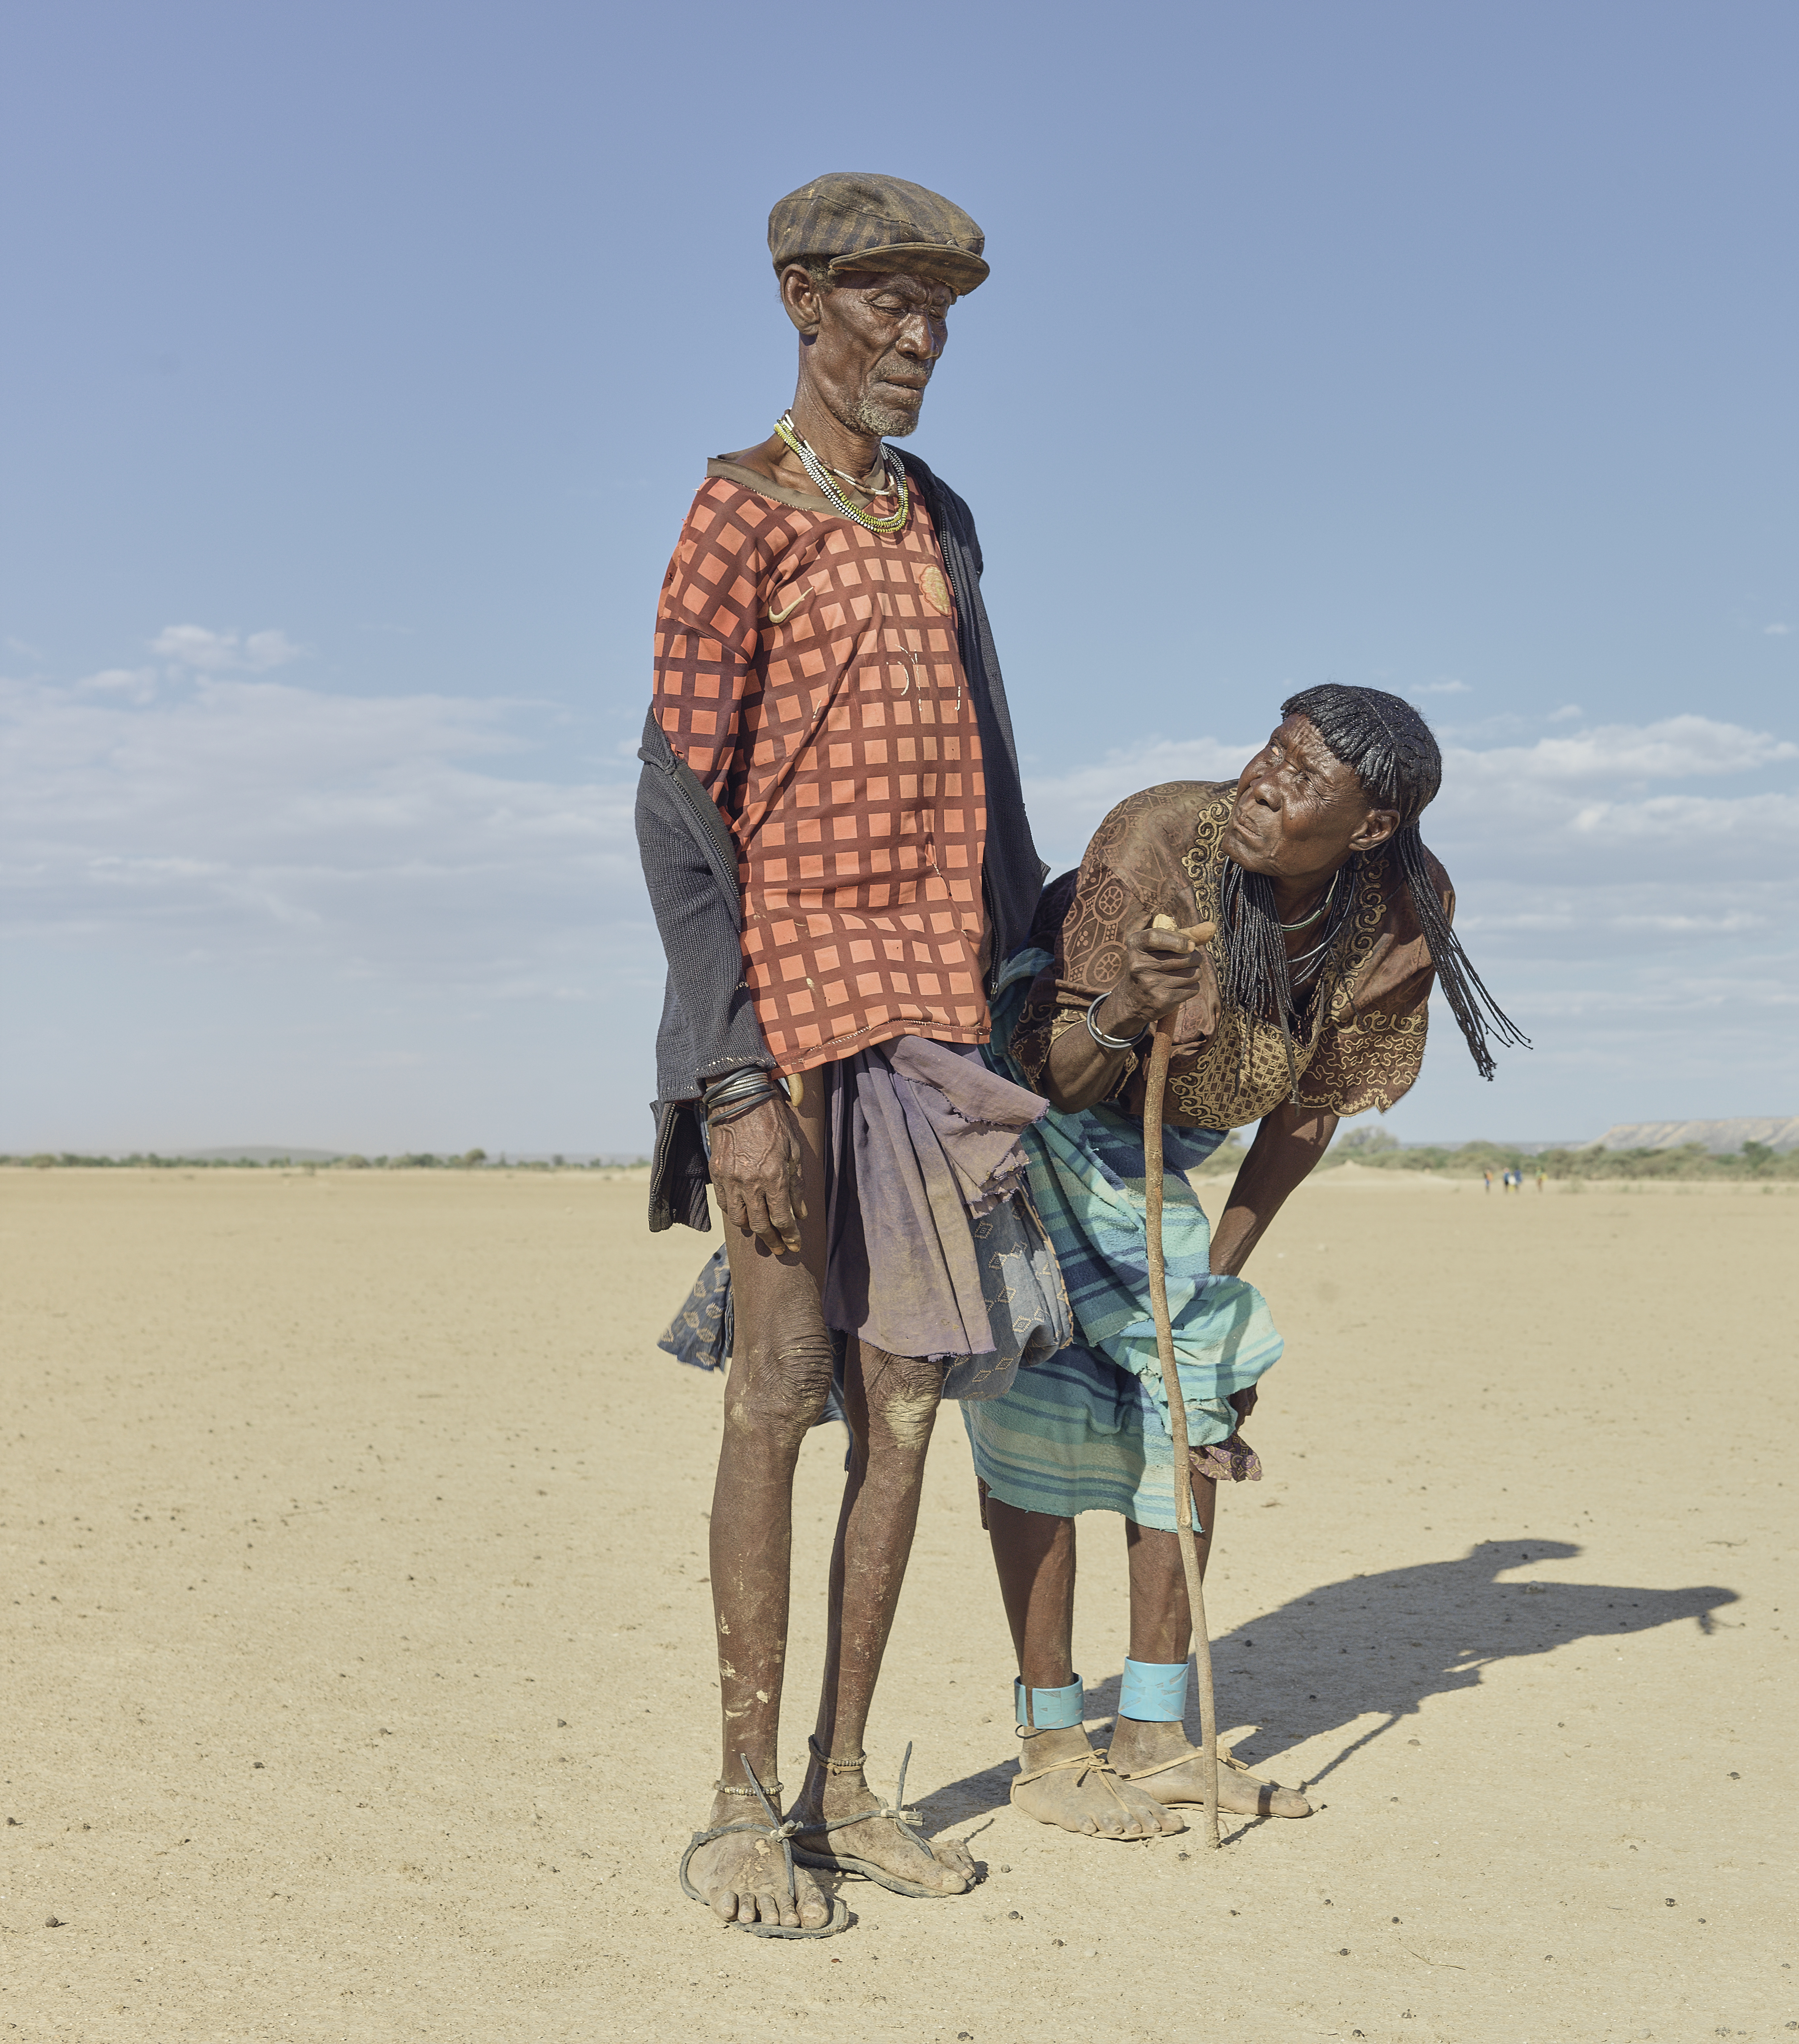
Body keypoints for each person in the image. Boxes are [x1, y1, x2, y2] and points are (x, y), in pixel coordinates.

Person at [633, 172, 1068, 1935]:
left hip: (934, 1027)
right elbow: (677, 808)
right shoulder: (739, 513)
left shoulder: (937, 521)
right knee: (778, 1399)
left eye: (942, 310)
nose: (920, 336)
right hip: (788, 1038)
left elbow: (996, 776)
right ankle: (740, 1801)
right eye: (888, 302)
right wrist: (727, 1075)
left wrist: (1037, 966)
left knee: (904, 1413)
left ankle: (847, 1781)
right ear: (803, 302)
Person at [966, 684, 1525, 1838]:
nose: (1267, 781)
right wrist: (1128, 1006)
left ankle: (1156, 1736)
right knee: (1050, 1421)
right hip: (1042, 1112)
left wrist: (1214, 1272)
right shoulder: (1163, 837)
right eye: (1273, 750)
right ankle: (1052, 1746)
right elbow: (1060, 1072)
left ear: (1370, 828)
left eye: (1305, 776)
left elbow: (1309, 1111)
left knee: (1193, 1396)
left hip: (1178, 1153)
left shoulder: (1401, 911)